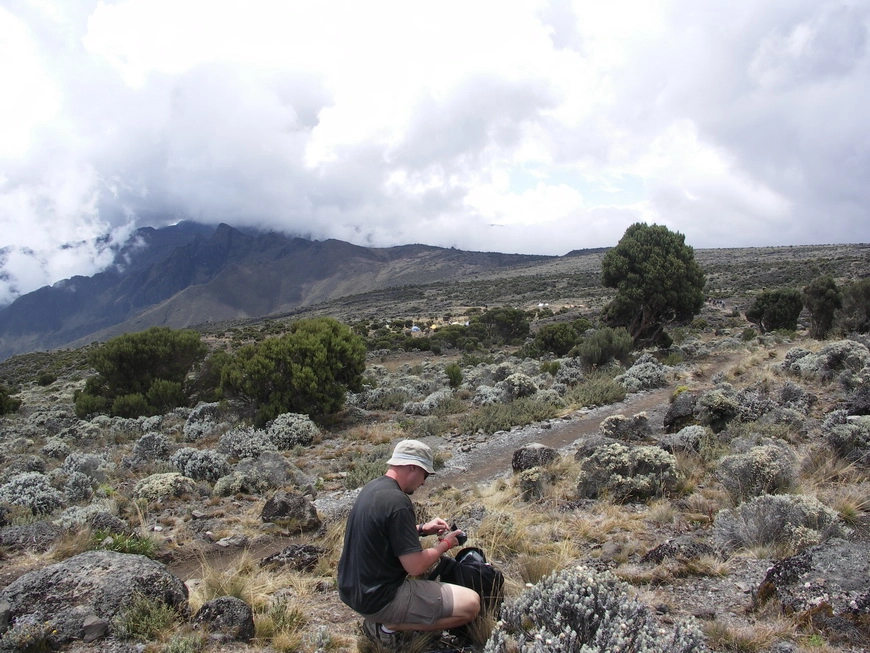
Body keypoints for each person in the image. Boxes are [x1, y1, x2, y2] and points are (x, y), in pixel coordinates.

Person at [337, 439, 481, 648]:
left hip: (352, 591)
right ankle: (388, 626)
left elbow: (383, 532)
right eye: (425, 475)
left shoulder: (373, 488)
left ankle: (385, 621)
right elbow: (415, 566)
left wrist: (422, 529)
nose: (423, 483)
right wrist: (446, 544)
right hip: (379, 598)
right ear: (413, 467)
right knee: (471, 604)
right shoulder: (398, 502)